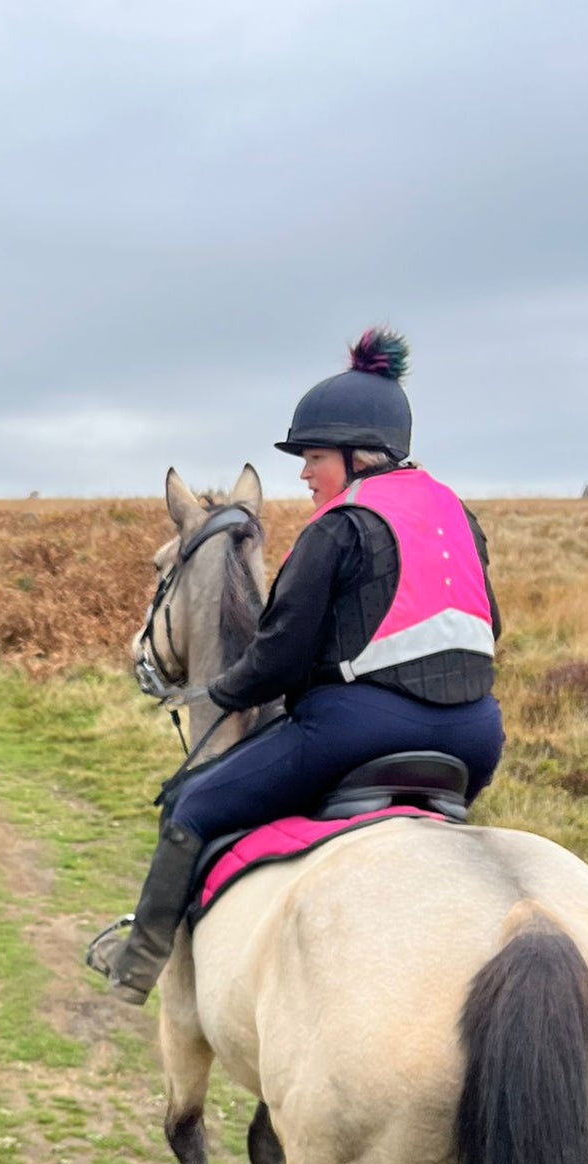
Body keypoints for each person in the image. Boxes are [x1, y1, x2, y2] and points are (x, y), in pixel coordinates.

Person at [92, 327, 505, 1002]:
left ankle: (134, 968)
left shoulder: (337, 526)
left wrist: (216, 688)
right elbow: (490, 626)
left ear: (357, 455)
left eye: (313, 456)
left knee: (192, 804)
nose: (304, 473)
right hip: (475, 742)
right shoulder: (456, 515)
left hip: (355, 734)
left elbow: (276, 660)